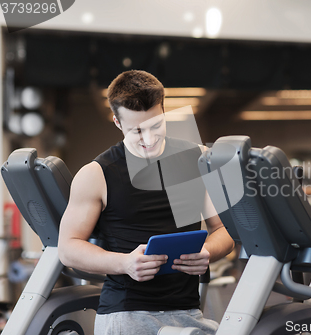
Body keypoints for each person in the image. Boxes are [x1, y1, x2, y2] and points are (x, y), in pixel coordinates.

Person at [58, 70, 234, 335]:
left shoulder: (197, 159)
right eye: (137, 131)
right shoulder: (96, 174)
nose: (149, 139)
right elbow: (68, 248)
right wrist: (125, 263)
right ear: (117, 122)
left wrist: (208, 252)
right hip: (126, 314)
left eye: (156, 126)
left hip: (188, 312)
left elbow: (224, 230)